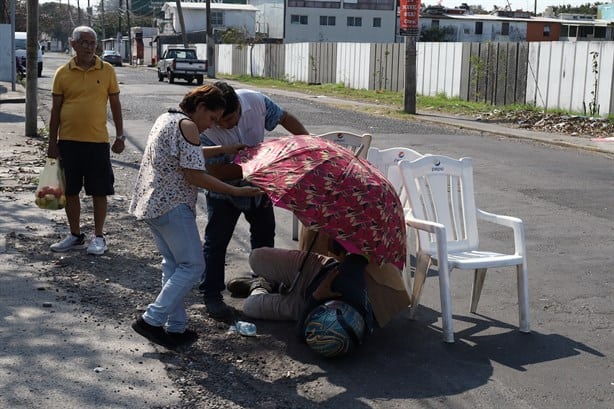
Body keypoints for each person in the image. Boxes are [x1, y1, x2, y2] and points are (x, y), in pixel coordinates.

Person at [128, 84, 262, 350]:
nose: (211, 125)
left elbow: (189, 154)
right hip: (173, 205)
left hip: (151, 203)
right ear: (200, 107)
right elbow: (195, 175)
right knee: (193, 266)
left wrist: (225, 148)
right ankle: (151, 319)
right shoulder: (188, 126)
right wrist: (236, 189)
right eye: (212, 118)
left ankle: (175, 328)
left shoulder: (167, 118)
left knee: (174, 265)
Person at [198, 81, 309, 320]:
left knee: (263, 236)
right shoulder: (205, 127)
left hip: (258, 187)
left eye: (231, 118)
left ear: (239, 104)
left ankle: (261, 283)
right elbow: (215, 172)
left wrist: (307, 143)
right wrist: (257, 167)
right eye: (221, 122)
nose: (227, 125)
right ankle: (211, 293)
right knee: (216, 241)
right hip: (223, 190)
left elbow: (284, 117)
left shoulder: (256, 101)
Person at [47, 25, 124, 255]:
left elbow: (115, 104)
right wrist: (52, 142)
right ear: (73, 44)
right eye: (84, 43)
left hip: (97, 142)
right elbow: (55, 110)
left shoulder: (107, 70)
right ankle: (75, 234)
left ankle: (99, 237)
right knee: (70, 191)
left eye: (93, 43)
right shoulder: (62, 72)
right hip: (68, 142)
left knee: (99, 191)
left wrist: (120, 135)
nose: (90, 48)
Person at [227, 245, 375, 358]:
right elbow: (357, 256)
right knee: (256, 257)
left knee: (249, 307)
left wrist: (317, 297)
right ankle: (277, 284)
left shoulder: (352, 334)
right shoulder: (354, 288)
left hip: (307, 302)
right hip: (314, 270)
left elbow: (300, 333)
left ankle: (261, 284)